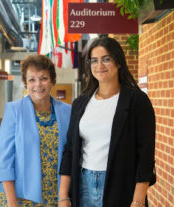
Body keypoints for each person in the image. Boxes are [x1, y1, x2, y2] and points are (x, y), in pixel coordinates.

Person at [58, 37, 156, 207]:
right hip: (83, 185)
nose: (99, 66)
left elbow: (146, 155)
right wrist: (63, 195)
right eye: (94, 61)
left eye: (106, 59)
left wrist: (138, 200)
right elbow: (70, 150)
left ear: (118, 62)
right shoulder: (80, 103)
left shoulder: (137, 101)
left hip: (121, 186)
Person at [0, 55, 71, 206]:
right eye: (31, 79)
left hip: (56, 197)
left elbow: (70, 156)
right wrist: (12, 203)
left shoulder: (67, 112)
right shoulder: (14, 110)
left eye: (43, 78)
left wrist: (65, 196)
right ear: (26, 83)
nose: (38, 84)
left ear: (52, 81)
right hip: (19, 197)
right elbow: (5, 162)